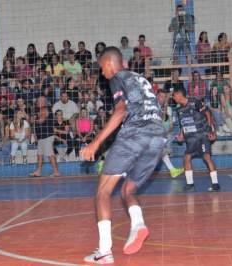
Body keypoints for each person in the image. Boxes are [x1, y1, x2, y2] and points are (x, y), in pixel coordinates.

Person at [80, 47, 166, 263]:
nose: (102, 73)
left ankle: (104, 252)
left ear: (109, 64)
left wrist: (96, 143)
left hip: (135, 134)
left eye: (101, 68)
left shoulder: (117, 77)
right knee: (128, 189)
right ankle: (138, 225)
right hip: (157, 137)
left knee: (103, 192)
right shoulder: (141, 79)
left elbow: (121, 110)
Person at [173, 86, 220, 192]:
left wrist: (212, 131)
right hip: (191, 138)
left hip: (202, 135)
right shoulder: (178, 109)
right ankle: (190, 184)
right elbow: (182, 124)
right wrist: (181, 135)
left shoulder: (194, 102)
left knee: (206, 157)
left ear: (179, 95)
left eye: (174, 95)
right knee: (186, 158)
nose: (173, 97)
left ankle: (215, 183)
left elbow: (208, 113)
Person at [30, 96, 60, 177]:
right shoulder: (38, 110)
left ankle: (56, 171)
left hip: (47, 136)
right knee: (39, 154)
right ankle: (38, 171)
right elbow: (35, 124)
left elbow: (41, 121)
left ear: (44, 102)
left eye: (40, 101)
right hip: (41, 137)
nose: (38, 102)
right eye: (38, 100)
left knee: (50, 154)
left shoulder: (45, 109)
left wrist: (33, 120)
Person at [157, 90, 184, 178]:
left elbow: (164, 119)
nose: (163, 98)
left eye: (165, 97)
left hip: (156, 134)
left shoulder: (164, 107)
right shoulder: (154, 107)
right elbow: (162, 118)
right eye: (161, 96)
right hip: (147, 134)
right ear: (157, 97)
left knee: (162, 152)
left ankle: (172, 170)